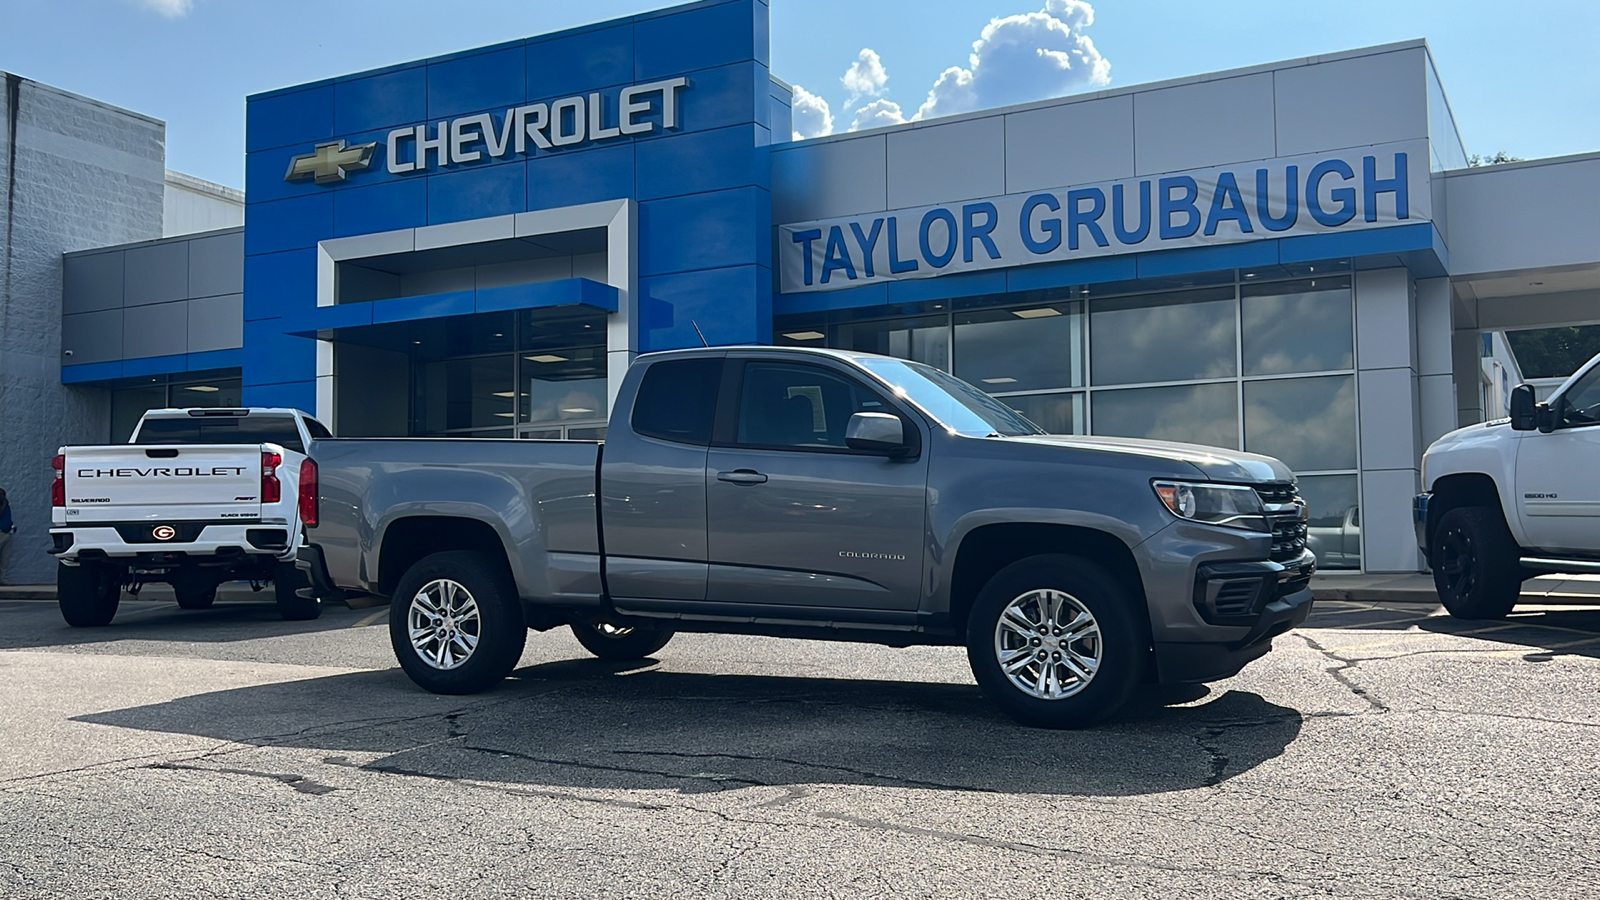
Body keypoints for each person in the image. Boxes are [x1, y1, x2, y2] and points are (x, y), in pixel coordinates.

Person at [0, 488, 13, 586]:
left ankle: (4, 579)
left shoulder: (7, 506)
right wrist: (4, 505)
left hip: (7, 532)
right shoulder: (4, 505)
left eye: (3, 495)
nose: (2, 497)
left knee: (5, 557)